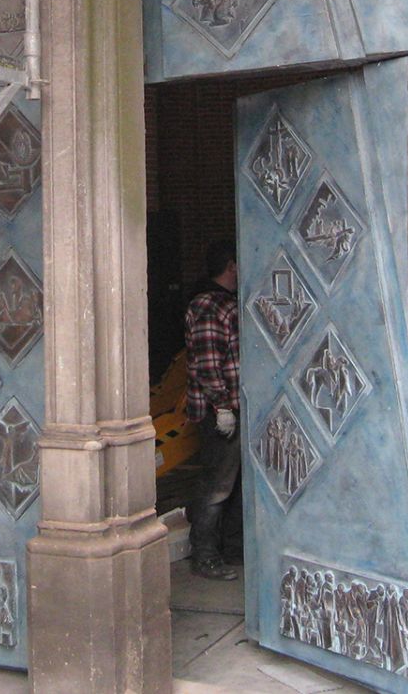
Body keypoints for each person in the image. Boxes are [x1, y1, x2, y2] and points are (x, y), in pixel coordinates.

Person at [184, 239, 243, 580]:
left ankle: (233, 549)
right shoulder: (209, 305)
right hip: (219, 413)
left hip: (234, 407)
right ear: (231, 265)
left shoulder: (228, 302)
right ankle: (205, 555)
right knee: (216, 486)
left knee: (233, 485)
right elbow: (207, 363)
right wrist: (222, 407)